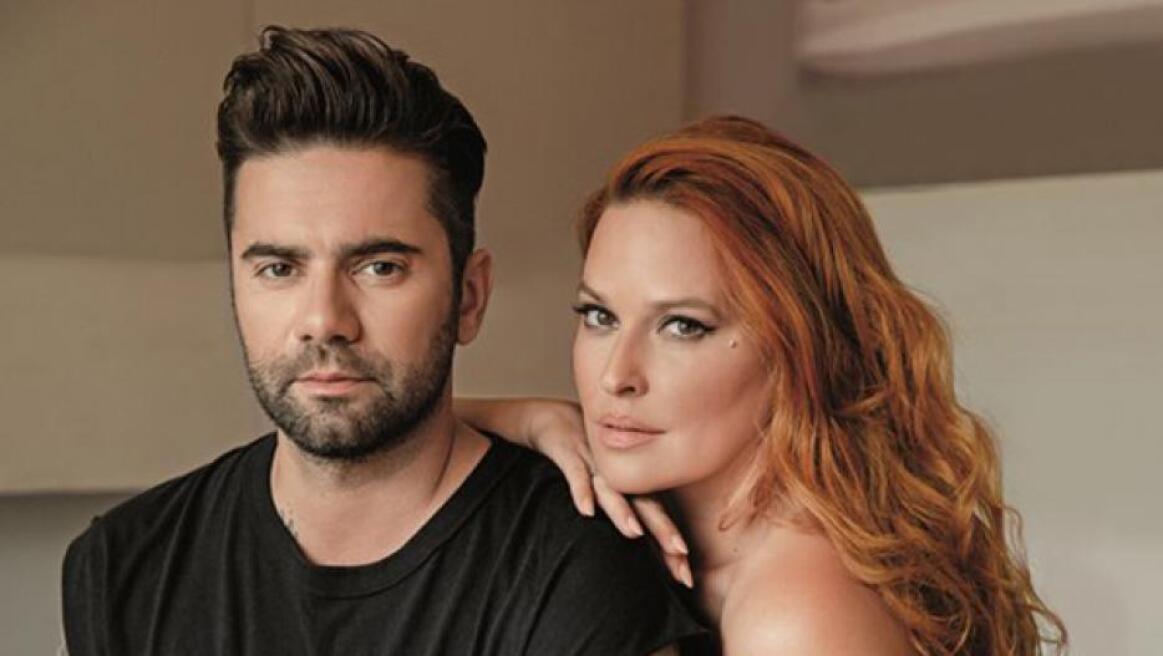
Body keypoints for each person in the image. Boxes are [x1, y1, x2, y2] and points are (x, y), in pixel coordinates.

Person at [59, 26, 703, 655]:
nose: (324, 320)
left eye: (379, 268)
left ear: (469, 298)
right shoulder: (125, 566)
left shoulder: (577, 567)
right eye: (279, 269)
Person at [460, 116, 1069, 655]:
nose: (616, 376)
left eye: (683, 327)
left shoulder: (797, 617)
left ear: (796, 346)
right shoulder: (705, 548)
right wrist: (534, 418)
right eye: (599, 316)